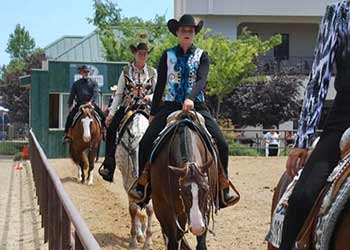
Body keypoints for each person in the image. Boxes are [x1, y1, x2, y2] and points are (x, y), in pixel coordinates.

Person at [128, 14, 237, 205]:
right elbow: (160, 84)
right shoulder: (167, 55)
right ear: (177, 33)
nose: (187, 33)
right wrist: (153, 113)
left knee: (222, 143)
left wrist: (190, 98)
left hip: (197, 105)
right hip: (170, 105)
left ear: (194, 34)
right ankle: (142, 183)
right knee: (145, 142)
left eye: (190, 30)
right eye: (183, 30)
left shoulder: (202, 55)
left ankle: (223, 185)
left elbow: (201, 80)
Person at [279, 2, 350, 249]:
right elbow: (319, 78)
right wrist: (303, 139)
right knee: (303, 197)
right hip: (345, 116)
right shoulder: (339, 12)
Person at [99, 43, 157, 182]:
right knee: (112, 129)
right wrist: (111, 114)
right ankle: (109, 165)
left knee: (162, 128)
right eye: (140, 53)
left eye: (145, 53)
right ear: (134, 54)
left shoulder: (153, 72)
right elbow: (119, 94)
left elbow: (158, 92)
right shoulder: (125, 71)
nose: (142, 55)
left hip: (146, 108)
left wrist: (151, 97)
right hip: (128, 107)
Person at [63, 65, 105, 143]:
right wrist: (70, 104)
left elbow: (95, 93)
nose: (86, 73)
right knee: (70, 116)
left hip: (91, 104)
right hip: (80, 104)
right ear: (81, 73)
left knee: (102, 115)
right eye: (84, 72)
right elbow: (72, 95)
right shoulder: (76, 84)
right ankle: (67, 134)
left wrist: (91, 102)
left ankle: (105, 133)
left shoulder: (93, 83)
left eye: (87, 72)